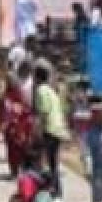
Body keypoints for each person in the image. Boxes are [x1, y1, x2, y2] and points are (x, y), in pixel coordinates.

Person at [34, 65, 70, 195]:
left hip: (50, 129)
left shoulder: (41, 90)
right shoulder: (51, 91)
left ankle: (52, 189)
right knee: (54, 162)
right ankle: (57, 189)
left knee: (48, 161)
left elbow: (43, 112)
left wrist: (37, 131)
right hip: (58, 128)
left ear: (37, 77)